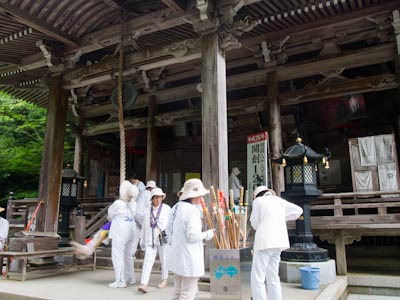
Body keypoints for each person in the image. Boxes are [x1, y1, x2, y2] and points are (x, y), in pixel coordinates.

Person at [250, 186, 303, 300]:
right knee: (273, 276)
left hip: (264, 242)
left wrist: (267, 220)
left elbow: (254, 223)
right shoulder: (279, 201)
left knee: (258, 277)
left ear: (255, 195)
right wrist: (281, 217)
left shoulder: (258, 201)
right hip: (279, 242)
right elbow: (298, 210)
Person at [166, 178, 215, 300]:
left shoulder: (175, 207)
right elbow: (192, 236)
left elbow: (168, 230)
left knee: (177, 292)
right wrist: (207, 234)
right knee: (187, 294)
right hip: (189, 257)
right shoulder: (192, 210)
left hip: (177, 255)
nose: (202, 197)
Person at [138, 187, 171, 293]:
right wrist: (141, 239)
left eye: (159, 197)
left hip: (162, 238)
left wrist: (171, 237)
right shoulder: (148, 210)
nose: (157, 199)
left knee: (164, 259)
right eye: (155, 197)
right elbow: (144, 226)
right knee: (147, 260)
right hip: (150, 238)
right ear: (152, 199)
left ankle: (164, 279)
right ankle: (144, 283)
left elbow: (171, 225)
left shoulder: (167, 209)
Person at [107, 180, 139, 288]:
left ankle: (120, 280)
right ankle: (130, 277)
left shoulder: (118, 204)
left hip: (120, 232)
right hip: (131, 231)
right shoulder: (134, 204)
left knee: (118, 256)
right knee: (128, 255)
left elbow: (110, 215)